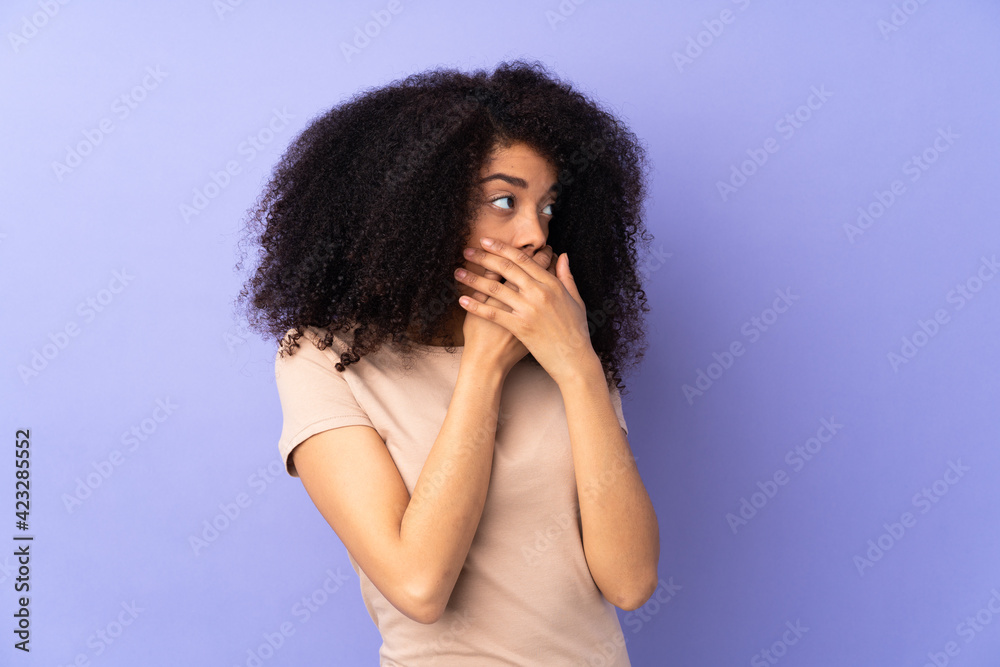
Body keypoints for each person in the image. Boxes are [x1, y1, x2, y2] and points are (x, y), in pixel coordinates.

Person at [236, 59, 659, 666]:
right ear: (417, 209)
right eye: (504, 201)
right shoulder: (322, 360)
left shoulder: (568, 349)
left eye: (546, 206)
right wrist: (484, 367)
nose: (534, 233)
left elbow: (631, 580)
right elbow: (419, 586)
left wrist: (578, 368)